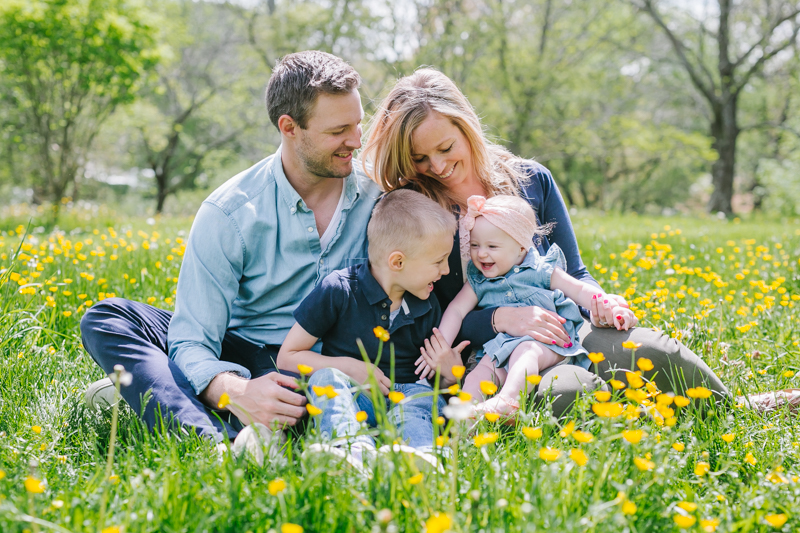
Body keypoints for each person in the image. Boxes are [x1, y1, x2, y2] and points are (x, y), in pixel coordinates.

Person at [361, 68, 730, 416]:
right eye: (420, 158)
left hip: (563, 326)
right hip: (488, 355)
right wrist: (501, 318)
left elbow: (574, 271)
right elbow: (427, 313)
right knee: (567, 392)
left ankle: (731, 410)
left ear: (467, 127)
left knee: (650, 350)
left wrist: (600, 303)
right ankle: (630, 417)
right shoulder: (414, 209)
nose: (437, 166)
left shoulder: (531, 179)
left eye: (445, 148)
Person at [79, 50, 382, 448]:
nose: (357, 141)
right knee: (109, 318)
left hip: (337, 365)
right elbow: (193, 338)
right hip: (248, 352)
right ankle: (216, 439)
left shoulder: (381, 198)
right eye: (339, 131)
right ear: (289, 127)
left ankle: (160, 396)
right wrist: (237, 390)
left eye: (358, 124)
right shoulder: (232, 212)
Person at [277, 189, 468, 466]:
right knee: (325, 379)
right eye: (438, 262)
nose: (446, 271)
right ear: (398, 262)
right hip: (356, 400)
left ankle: (420, 457)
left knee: (420, 402)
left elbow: (432, 379)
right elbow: (288, 356)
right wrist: (351, 368)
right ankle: (349, 450)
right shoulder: (339, 290)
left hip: (407, 398)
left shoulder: (428, 304)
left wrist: (450, 377)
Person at [423, 194, 637, 415]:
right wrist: (442, 346)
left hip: (546, 343)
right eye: (475, 245)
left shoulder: (541, 270)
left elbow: (579, 289)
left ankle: (509, 402)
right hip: (501, 348)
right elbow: (456, 310)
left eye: (492, 246)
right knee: (480, 372)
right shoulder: (478, 280)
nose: (481, 253)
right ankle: (465, 418)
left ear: (521, 248)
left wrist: (608, 305)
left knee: (526, 351)